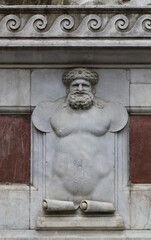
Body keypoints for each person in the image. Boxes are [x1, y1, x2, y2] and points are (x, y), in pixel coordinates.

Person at [32, 68, 128, 212]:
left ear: (93, 90)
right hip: (58, 191)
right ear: (67, 90)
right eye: (75, 85)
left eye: (85, 85)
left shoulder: (108, 112)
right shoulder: (52, 112)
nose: (80, 89)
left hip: (101, 193)